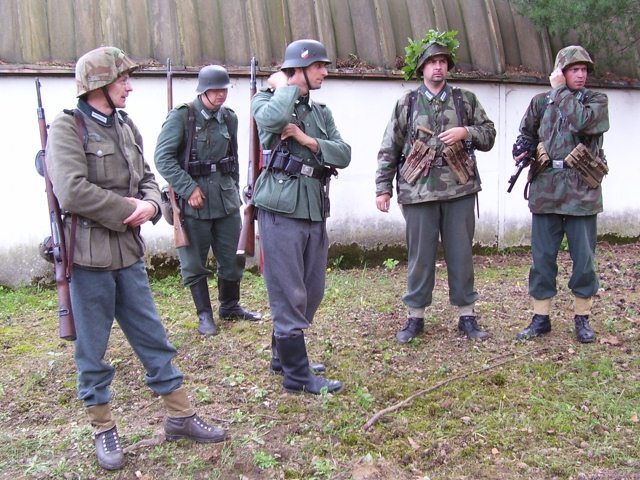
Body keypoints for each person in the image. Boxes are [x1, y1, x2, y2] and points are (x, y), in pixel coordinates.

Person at [46, 46, 226, 471]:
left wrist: (152, 204)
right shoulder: (67, 127)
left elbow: (146, 176)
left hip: (127, 254)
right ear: (99, 85)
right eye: (123, 79)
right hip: (87, 258)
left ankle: (180, 416)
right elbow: (70, 190)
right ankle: (103, 428)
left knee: (152, 336)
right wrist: (129, 208)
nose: (129, 86)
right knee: (92, 350)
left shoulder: (125, 125)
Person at [375, 32, 496, 344]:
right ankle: (415, 316)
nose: (438, 67)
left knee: (461, 254)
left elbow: (489, 135)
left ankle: (467, 315)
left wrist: (465, 132)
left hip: (460, 190)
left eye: (442, 61)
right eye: (432, 62)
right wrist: (383, 188)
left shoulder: (465, 100)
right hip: (418, 192)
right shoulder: (407, 103)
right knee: (420, 257)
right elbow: (390, 147)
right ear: (422, 68)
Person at [250, 39, 351, 394]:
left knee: (312, 290)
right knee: (287, 290)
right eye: (318, 66)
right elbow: (273, 120)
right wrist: (284, 85)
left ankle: (283, 357)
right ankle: (296, 374)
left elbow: (343, 154)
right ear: (299, 69)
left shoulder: (320, 113)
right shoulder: (266, 101)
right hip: (280, 207)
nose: (325, 72)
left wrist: (308, 140)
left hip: (313, 206)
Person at [154, 65, 260, 337]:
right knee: (193, 261)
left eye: (224, 89)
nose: (221, 94)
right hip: (194, 202)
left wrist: (235, 189)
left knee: (233, 255)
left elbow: (234, 159)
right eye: (215, 90)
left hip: (225, 200)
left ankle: (230, 306)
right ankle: (204, 316)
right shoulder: (183, 116)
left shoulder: (229, 118)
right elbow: (162, 158)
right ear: (203, 90)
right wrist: (188, 188)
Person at [513, 45, 609, 343]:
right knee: (542, 258)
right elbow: (527, 132)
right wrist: (522, 149)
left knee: (584, 259)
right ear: (561, 71)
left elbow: (584, 123)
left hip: (582, 190)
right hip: (546, 188)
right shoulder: (541, 102)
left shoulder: (596, 100)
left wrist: (560, 92)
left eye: (584, 70)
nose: (581, 75)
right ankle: (540, 317)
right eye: (574, 69)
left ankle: (582, 317)